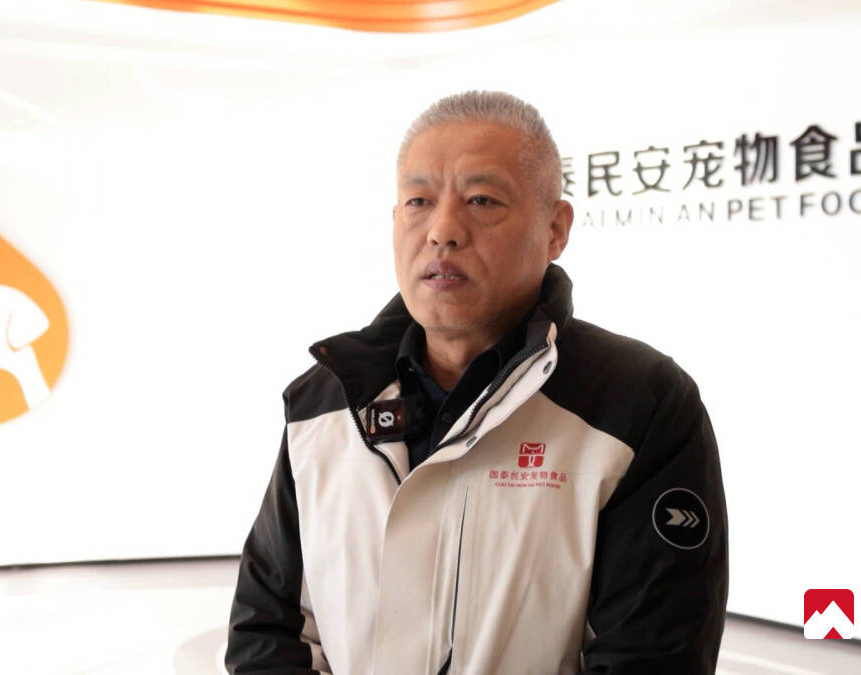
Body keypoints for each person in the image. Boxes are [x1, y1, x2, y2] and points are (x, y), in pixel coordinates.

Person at [225, 91, 728, 674]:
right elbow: (268, 630)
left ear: (555, 229)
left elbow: (652, 658)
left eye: (481, 200)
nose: (442, 231)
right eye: (418, 201)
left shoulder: (639, 405)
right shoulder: (323, 400)